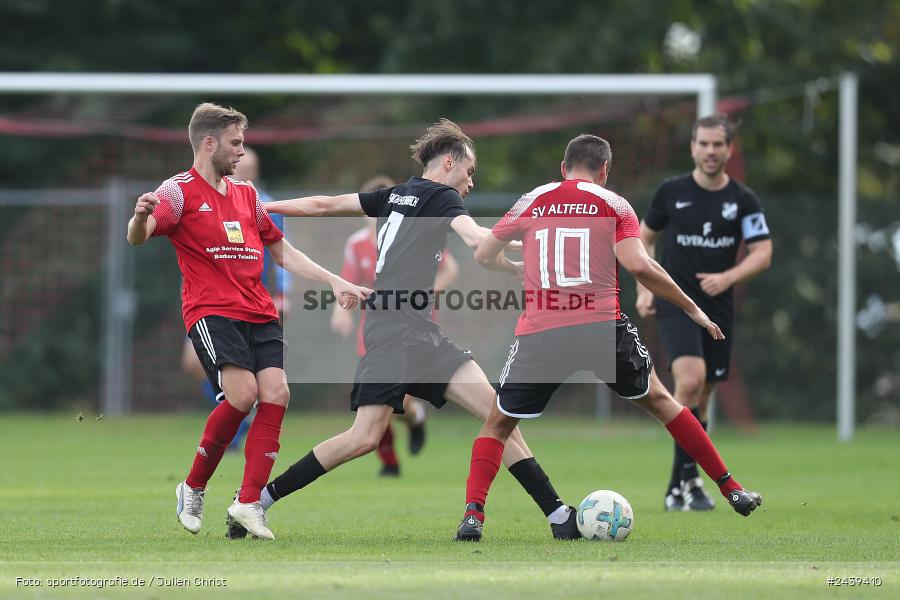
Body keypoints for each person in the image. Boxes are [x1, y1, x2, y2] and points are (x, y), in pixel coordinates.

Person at [226, 119, 581, 541]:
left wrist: (264, 207)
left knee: (498, 414)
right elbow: (474, 238)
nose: (469, 183)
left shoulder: (394, 195)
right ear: (449, 162)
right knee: (364, 437)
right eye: (469, 171)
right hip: (395, 330)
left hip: (414, 329)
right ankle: (256, 502)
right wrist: (525, 245)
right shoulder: (442, 196)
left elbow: (322, 205)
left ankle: (558, 516)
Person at [457, 133, 762, 541]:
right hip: (602, 327)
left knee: (497, 425)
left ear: (563, 168)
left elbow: (482, 254)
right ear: (605, 171)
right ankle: (732, 489)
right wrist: (690, 307)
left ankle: (474, 516)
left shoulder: (535, 197)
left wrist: (508, 266)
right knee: (665, 404)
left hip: (543, 330)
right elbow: (640, 265)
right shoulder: (614, 203)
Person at [127, 102, 370, 540]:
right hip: (212, 311)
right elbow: (139, 236)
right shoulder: (178, 191)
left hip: (259, 311)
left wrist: (334, 280)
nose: (242, 152)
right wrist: (140, 215)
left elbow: (281, 250)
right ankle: (193, 486)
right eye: (235, 143)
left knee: (276, 392)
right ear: (209, 142)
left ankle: (248, 501)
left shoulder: (248, 196)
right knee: (242, 395)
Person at [636, 115, 772, 512]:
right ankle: (679, 486)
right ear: (692, 147)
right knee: (690, 380)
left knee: (705, 394)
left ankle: (687, 480)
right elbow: (643, 237)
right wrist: (645, 287)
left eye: (718, 145)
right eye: (704, 143)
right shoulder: (670, 192)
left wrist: (728, 276)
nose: (711, 151)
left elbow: (763, 252)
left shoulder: (743, 200)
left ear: (729, 150)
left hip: (718, 307)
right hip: (677, 302)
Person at [331, 175, 460, 476]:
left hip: (414, 326)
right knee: (376, 401)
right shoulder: (358, 244)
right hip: (376, 329)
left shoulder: (411, 232)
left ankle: (415, 417)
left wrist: (424, 295)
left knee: (399, 402)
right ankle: (389, 462)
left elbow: (450, 268)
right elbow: (347, 282)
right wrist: (341, 312)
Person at [179, 147, 290, 452]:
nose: (241, 169)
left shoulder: (263, 206)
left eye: (248, 167)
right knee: (195, 363)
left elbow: (281, 252)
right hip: (211, 301)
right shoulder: (204, 197)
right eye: (239, 164)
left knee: (259, 384)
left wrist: (283, 295)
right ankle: (237, 414)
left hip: (253, 301)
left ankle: (237, 424)